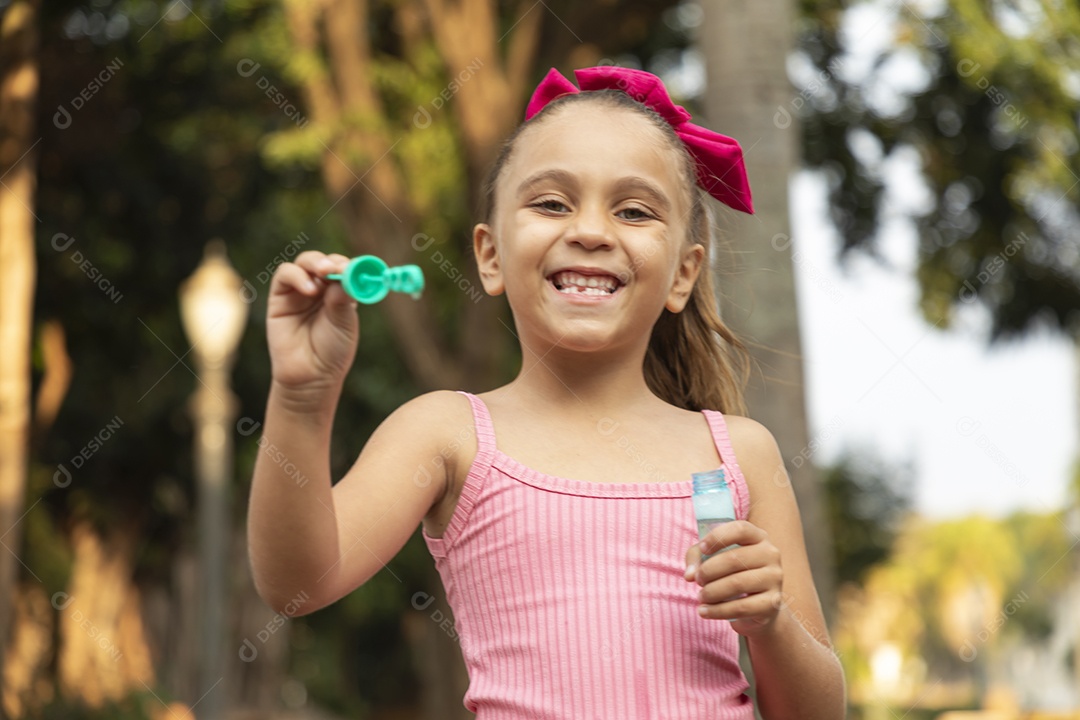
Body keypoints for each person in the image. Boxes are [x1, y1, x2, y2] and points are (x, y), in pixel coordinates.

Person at [248, 66, 846, 719]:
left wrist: (771, 622)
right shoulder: (450, 434)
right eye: (552, 203)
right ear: (490, 256)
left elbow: (818, 712)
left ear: (684, 272)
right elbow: (297, 586)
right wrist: (303, 397)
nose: (590, 230)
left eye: (634, 210)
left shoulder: (739, 454)